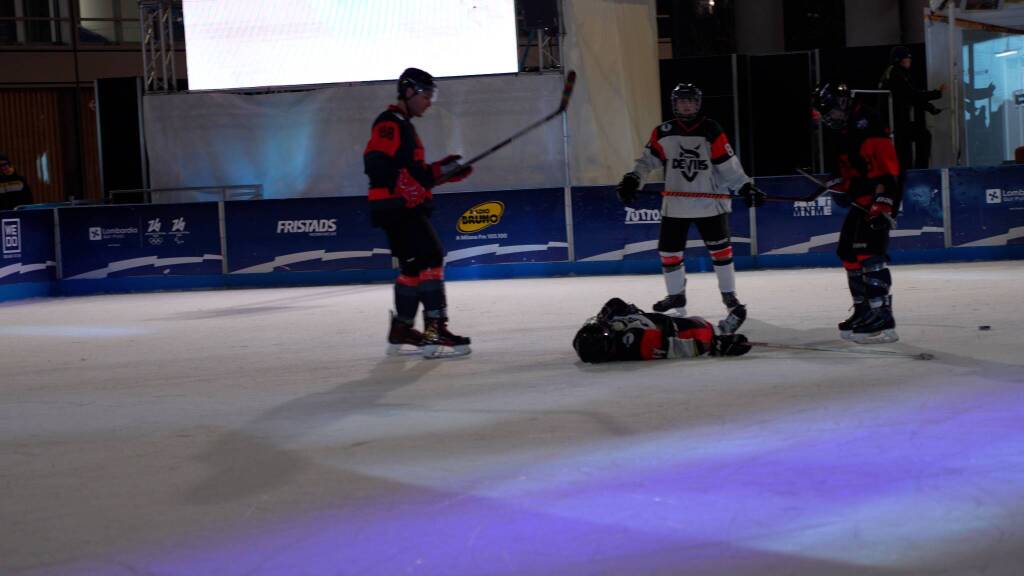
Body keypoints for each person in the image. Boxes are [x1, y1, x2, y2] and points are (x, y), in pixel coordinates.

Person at [615, 83, 765, 335]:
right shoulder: (663, 132)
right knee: (668, 252)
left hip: (710, 204)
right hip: (676, 205)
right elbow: (646, 161)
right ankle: (676, 295)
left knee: (721, 253)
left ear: (698, 104)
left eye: (691, 101)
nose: (686, 105)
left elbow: (729, 165)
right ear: (674, 104)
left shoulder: (710, 130)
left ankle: (729, 296)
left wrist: (745, 186)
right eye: (681, 101)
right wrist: (633, 178)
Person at [363, 67, 473, 358]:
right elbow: (375, 162)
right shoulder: (390, 123)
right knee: (431, 256)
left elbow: (415, 174)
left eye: (432, 95)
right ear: (409, 91)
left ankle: (401, 328)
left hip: (397, 205)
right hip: (396, 206)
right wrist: (402, 183)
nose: (429, 102)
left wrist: (444, 171)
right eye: (426, 95)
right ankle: (436, 329)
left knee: (413, 266)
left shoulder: (405, 126)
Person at [813, 82, 901, 344]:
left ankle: (881, 314)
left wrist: (884, 200)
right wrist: (838, 183)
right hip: (861, 198)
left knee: (869, 252)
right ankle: (864, 310)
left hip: (877, 196)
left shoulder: (867, 122)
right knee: (847, 252)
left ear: (842, 103)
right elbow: (848, 168)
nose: (828, 118)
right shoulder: (843, 129)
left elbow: (887, 167)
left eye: (829, 111)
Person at [572, 297, 752, 363]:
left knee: (615, 304)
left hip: (658, 322)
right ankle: (722, 330)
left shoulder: (616, 334)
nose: (603, 325)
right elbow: (676, 348)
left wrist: (617, 310)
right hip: (685, 330)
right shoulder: (636, 343)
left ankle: (719, 331)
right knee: (704, 328)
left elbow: (614, 307)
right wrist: (715, 346)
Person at [878, 45, 943, 169]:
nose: (909, 61)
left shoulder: (899, 73)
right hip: (895, 122)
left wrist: (930, 108)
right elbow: (911, 94)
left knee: (922, 136)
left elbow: (911, 96)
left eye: (909, 59)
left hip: (900, 120)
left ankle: (918, 170)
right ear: (898, 60)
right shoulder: (895, 74)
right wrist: (936, 94)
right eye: (906, 59)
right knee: (916, 141)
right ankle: (918, 171)